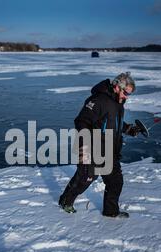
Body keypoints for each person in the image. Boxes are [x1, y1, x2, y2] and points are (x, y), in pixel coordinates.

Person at [58, 72, 142, 218]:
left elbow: (113, 123)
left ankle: (111, 212)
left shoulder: (118, 103)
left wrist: (129, 129)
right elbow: (81, 121)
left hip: (110, 150)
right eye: (126, 93)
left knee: (115, 181)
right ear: (117, 87)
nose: (127, 97)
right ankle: (65, 201)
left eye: (129, 94)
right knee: (86, 178)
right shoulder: (98, 100)